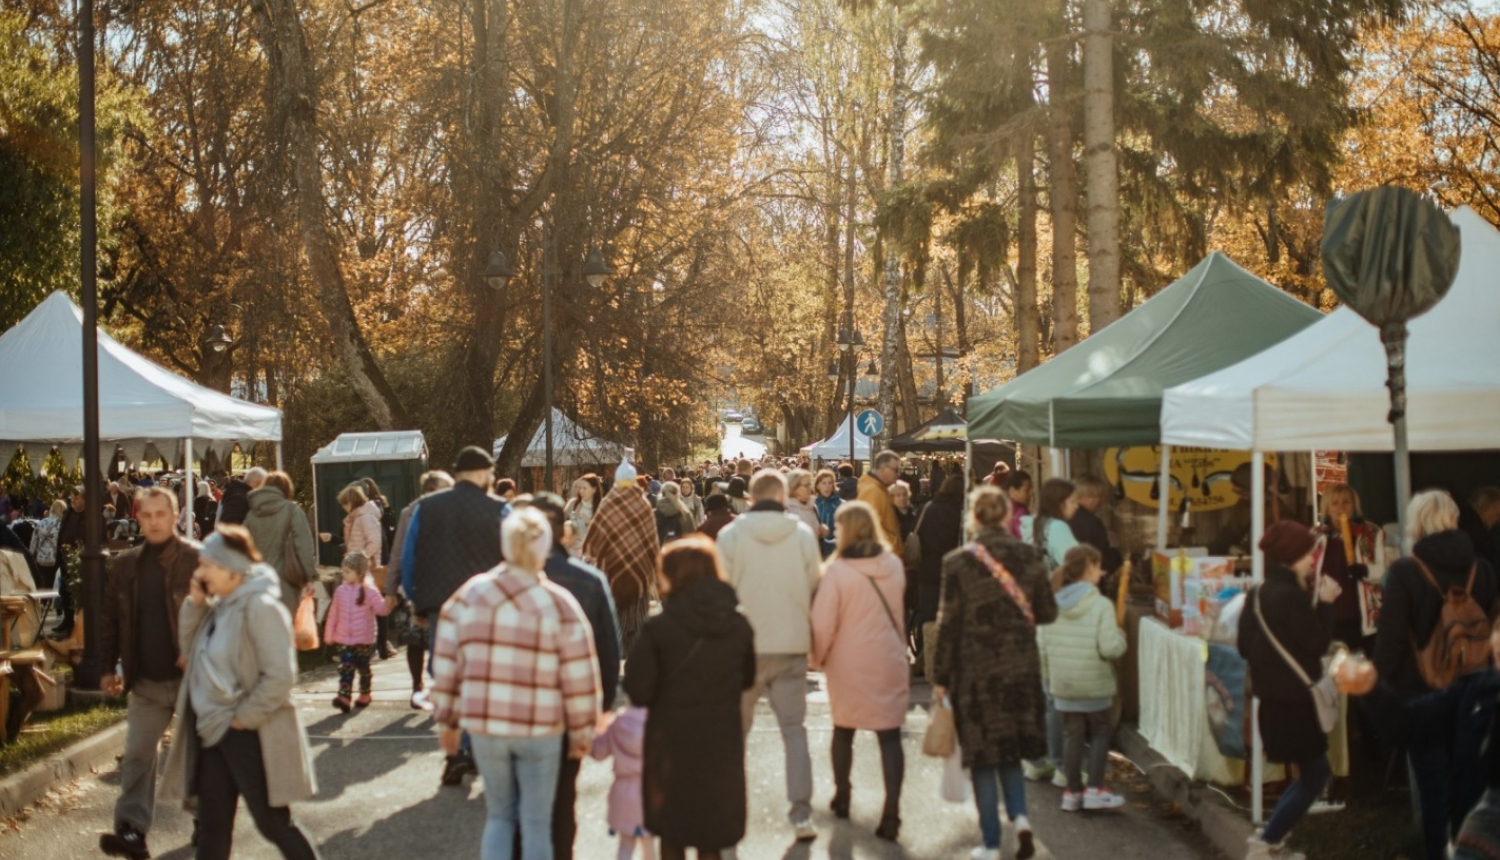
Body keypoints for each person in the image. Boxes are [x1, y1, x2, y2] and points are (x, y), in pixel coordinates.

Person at [430, 506, 603, 860]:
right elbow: (581, 677)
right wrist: (583, 732)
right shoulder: (559, 604)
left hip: (487, 726)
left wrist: (447, 720)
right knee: (536, 822)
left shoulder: (469, 596)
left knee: (499, 816)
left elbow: (446, 665)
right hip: (542, 728)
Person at [160, 526, 320, 860]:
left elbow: (280, 674)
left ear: (230, 568)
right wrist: (195, 603)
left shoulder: (260, 606)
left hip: (247, 732)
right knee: (212, 828)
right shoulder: (221, 606)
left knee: (273, 824)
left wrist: (244, 719)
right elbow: (190, 653)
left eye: (206, 565)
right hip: (213, 730)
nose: (199, 572)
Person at [932, 485, 1057, 860]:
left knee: (984, 757)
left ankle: (989, 843)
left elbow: (948, 624)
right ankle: (1020, 819)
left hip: (975, 671)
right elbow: (1048, 613)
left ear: (973, 516)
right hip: (1020, 667)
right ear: (1005, 515)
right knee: (1012, 752)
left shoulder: (957, 562)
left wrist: (940, 678)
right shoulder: (1030, 555)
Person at [1375, 490, 1500, 860]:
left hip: (1423, 695)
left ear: (1416, 524)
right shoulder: (1484, 568)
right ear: (1453, 520)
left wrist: (1378, 692)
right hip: (1476, 692)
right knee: (1473, 790)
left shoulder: (1405, 571)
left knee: (1434, 790)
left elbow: (1391, 641)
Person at [624, 535, 756, 860]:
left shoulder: (660, 627)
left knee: (673, 829)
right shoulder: (737, 624)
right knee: (711, 831)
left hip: (669, 738)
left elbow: (637, 688)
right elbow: (747, 678)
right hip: (720, 735)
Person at [716, 469, 822, 842]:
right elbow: (813, 586)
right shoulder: (803, 536)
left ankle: (730, 812)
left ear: (749, 497)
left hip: (743, 648)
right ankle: (801, 813)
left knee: (735, 736)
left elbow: (721, 592)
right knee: (794, 731)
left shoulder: (730, 536)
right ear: (782, 498)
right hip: (790, 643)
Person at [96, 486, 200, 860]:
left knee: (195, 758)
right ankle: (130, 830)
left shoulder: (196, 560)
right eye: (147, 515)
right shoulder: (126, 565)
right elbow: (109, 620)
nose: (154, 521)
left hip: (193, 682)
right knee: (138, 755)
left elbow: (220, 614)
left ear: (175, 517)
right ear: (138, 518)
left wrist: (199, 653)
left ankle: (206, 823)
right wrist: (108, 668)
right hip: (146, 682)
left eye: (162, 514)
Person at [401, 445, 510, 786]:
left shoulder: (426, 508)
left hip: (441, 606)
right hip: (488, 608)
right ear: (483, 473)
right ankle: (476, 748)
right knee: (484, 678)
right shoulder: (500, 510)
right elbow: (514, 555)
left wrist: (417, 600)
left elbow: (409, 558)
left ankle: (455, 753)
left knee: (448, 679)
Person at [527, 493, 623, 860]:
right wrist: (599, 710)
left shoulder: (499, 581)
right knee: (563, 800)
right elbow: (609, 651)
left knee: (518, 806)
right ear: (564, 531)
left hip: (515, 708)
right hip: (570, 707)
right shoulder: (588, 580)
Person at [1237, 520, 1340, 860]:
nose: (1313, 560)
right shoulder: (1291, 597)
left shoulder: (1257, 594)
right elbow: (1319, 643)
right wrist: (1326, 602)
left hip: (1272, 702)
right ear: (1293, 557)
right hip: (1296, 702)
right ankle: (1264, 845)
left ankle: (1271, 840)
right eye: (1309, 554)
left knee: (1309, 774)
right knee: (1315, 775)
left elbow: (1243, 647)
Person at [810, 502, 908, 841]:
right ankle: (892, 811)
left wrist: (815, 657)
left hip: (848, 662)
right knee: (890, 735)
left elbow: (823, 623)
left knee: (844, 729)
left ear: (847, 530)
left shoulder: (837, 572)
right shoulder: (893, 565)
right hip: (889, 657)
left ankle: (842, 794)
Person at [1037, 545, 1128, 812]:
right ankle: (1094, 789)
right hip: (1095, 684)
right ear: (1089, 569)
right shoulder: (1101, 605)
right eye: (1098, 567)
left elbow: (1041, 645)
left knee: (1071, 734)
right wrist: (1121, 638)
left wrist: (1050, 679)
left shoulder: (1050, 603)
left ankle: (1072, 792)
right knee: (1100, 731)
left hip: (1062, 683)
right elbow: (1109, 648)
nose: (1102, 572)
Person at [389, 470, 454, 710]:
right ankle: (419, 686)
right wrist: (391, 588)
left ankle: (429, 688)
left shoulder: (415, 512)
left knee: (422, 639)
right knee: (416, 639)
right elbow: (399, 553)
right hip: (418, 585)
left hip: (418, 585)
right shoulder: (411, 513)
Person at [583, 460, 661, 650]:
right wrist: (655, 571)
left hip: (611, 572)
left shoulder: (608, 503)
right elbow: (652, 543)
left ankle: (616, 657)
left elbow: (594, 540)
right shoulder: (643, 505)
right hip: (639, 573)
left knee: (614, 620)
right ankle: (635, 660)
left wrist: (596, 553)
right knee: (637, 621)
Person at [1312, 483, 1383, 650]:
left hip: (1362, 618)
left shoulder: (1372, 533)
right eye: (1334, 503)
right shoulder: (1315, 536)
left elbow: (1386, 572)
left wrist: (1365, 570)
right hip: (1328, 616)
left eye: (1346, 502)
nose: (1340, 508)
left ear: (1355, 506)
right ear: (1327, 508)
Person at [244, 471, 318, 619]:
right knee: (284, 628)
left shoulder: (251, 515)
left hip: (257, 582)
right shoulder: (292, 511)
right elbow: (303, 546)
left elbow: (242, 547)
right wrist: (310, 577)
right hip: (287, 580)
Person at [323, 550, 390, 712]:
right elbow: (333, 614)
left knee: (363, 667)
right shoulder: (340, 591)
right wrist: (329, 633)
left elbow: (381, 610)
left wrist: (389, 602)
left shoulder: (370, 591)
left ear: (359, 573)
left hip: (363, 639)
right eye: (343, 571)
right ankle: (344, 697)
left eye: (347, 572)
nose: (344, 575)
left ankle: (365, 693)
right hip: (344, 639)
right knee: (346, 667)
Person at [591, 704, 653, 860]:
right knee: (649, 847)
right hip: (648, 794)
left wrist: (597, 729)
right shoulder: (655, 722)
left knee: (625, 846)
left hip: (621, 794)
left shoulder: (618, 722)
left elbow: (598, 752)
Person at [915, 476, 965, 630]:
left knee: (927, 615)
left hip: (926, 569)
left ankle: (925, 649)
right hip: (951, 571)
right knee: (950, 619)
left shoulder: (926, 507)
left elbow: (916, 532)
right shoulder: (960, 514)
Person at [1021, 478, 1080, 569]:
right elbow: (1076, 564)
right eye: (1072, 502)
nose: (1076, 506)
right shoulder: (1057, 527)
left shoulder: (1035, 524)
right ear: (1059, 504)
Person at [1068, 476, 1122, 574]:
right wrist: (1114, 548)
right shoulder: (1092, 523)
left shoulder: (1063, 518)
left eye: (1100, 497)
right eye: (1096, 496)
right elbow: (1103, 563)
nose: (1099, 501)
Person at [857, 450, 904, 557]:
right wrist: (893, 546)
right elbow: (870, 528)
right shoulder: (873, 491)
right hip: (883, 557)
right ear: (883, 469)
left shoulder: (880, 489)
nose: (898, 474)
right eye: (895, 470)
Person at [28, 500, 64, 593]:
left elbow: (34, 541)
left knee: (43, 584)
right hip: (56, 559)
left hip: (41, 559)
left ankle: (43, 603)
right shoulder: (62, 524)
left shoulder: (41, 522)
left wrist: (31, 555)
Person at [564, 474, 604, 552]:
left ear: (594, 489)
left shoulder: (601, 507)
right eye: (580, 488)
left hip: (590, 553)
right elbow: (561, 522)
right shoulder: (573, 504)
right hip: (571, 550)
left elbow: (604, 534)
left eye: (585, 488)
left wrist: (589, 523)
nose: (581, 491)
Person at [785, 469, 824, 540]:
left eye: (810, 485)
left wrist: (822, 532)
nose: (810, 488)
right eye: (806, 485)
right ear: (794, 487)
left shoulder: (813, 507)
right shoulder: (786, 509)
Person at [813, 469, 842, 558]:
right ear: (817, 485)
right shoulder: (812, 504)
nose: (827, 487)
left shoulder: (840, 504)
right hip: (815, 550)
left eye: (830, 483)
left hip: (834, 551)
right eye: (824, 483)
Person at [1003, 471, 1033, 539]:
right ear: (1012, 491)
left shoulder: (1004, 509)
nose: (1030, 494)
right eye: (1026, 490)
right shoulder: (1020, 513)